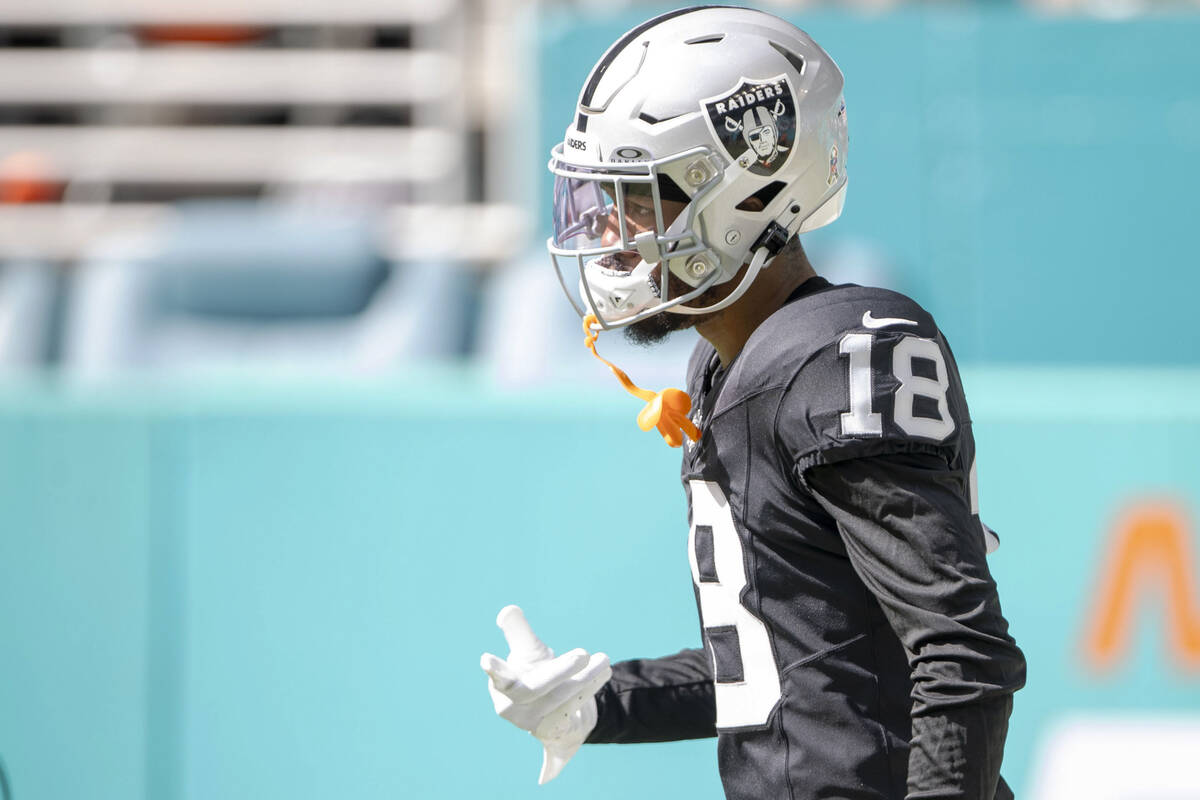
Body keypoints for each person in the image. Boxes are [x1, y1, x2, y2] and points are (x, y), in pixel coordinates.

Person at [481, 7, 1026, 799]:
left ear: (736, 193)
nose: (610, 229)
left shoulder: (840, 353)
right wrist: (598, 703)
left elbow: (960, 647)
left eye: (633, 196)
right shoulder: (732, 363)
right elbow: (794, 663)